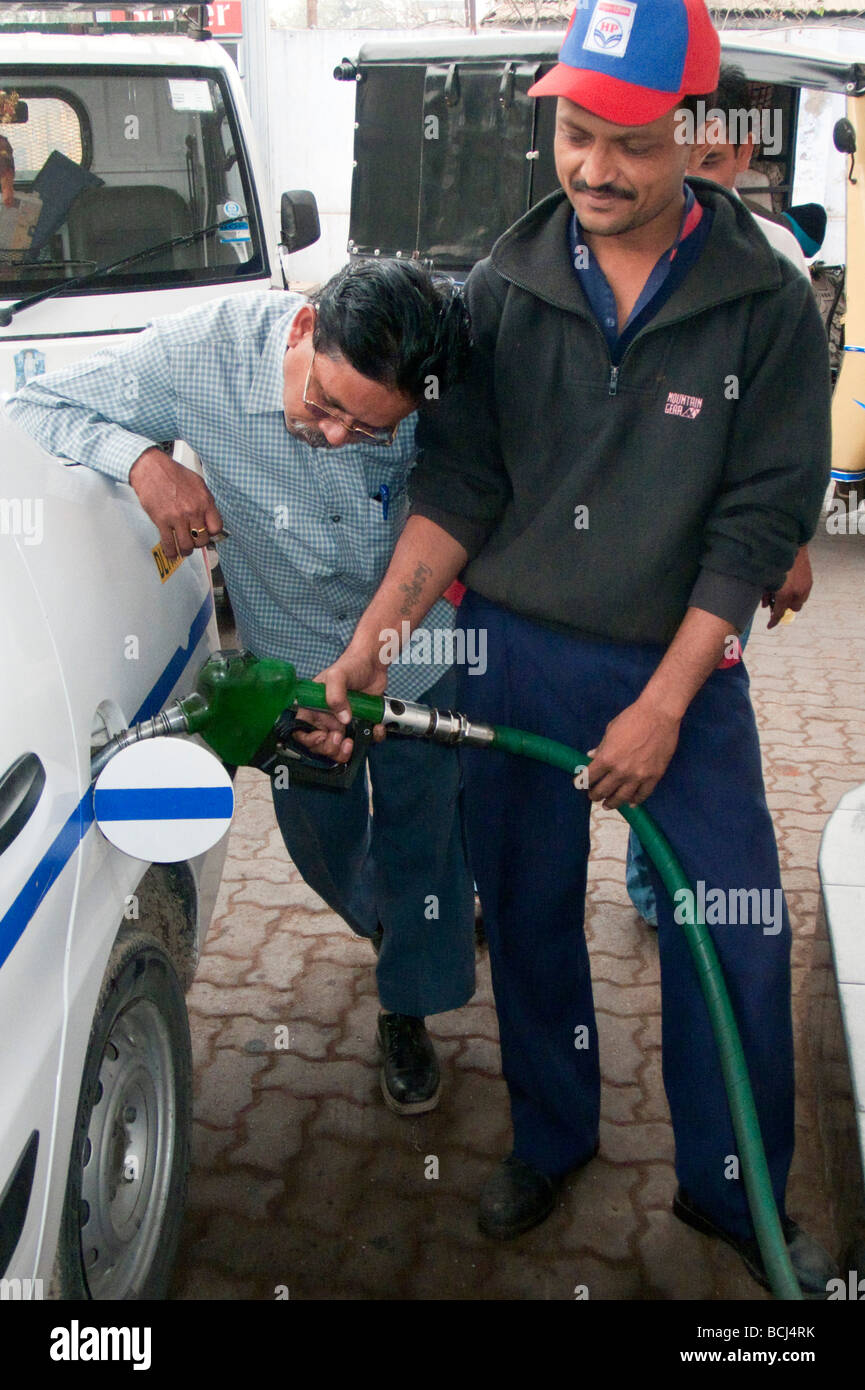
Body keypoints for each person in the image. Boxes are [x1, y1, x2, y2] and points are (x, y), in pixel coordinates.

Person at [315, 0, 838, 1293]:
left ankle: (727, 1192)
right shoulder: (503, 287)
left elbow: (760, 512)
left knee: (736, 929)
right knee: (532, 915)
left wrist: (665, 702)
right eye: (575, 131)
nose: (594, 168)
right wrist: (376, 641)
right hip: (509, 653)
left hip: (680, 673)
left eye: (629, 143)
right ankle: (552, 1137)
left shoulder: (763, 303)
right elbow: (457, 486)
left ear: (690, 135)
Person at [5, 259, 477, 1116]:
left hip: (411, 648)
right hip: (291, 666)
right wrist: (144, 460)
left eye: (370, 432)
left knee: (424, 831)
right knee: (319, 834)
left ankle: (406, 1003)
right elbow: (30, 404)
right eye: (325, 407)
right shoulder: (203, 352)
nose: (336, 437)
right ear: (300, 329)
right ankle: (396, 923)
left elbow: (468, 496)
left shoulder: (440, 390)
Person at [626, 60, 821, 929]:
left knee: (682, 711)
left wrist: (790, 548)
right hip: (621, 549)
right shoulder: (604, 240)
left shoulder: (770, 262)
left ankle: (661, 883)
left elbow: (786, 445)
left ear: (744, 150)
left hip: (717, 565)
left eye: (713, 156)